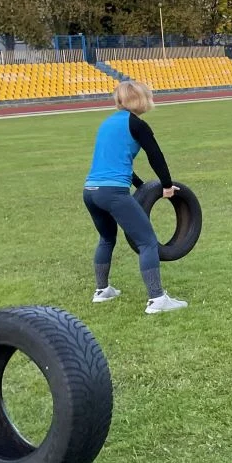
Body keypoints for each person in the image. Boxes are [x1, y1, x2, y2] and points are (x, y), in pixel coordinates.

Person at [83, 81, 187, 313]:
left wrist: (140, 185)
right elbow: (155, 155)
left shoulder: (107, 123)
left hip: (90, 191)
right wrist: (167, 186)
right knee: (147, 241)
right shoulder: (137, 124)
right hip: (112, 192)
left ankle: (102, 291)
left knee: (107, 239)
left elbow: (114, 160)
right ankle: (157, 299)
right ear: (141, 99)